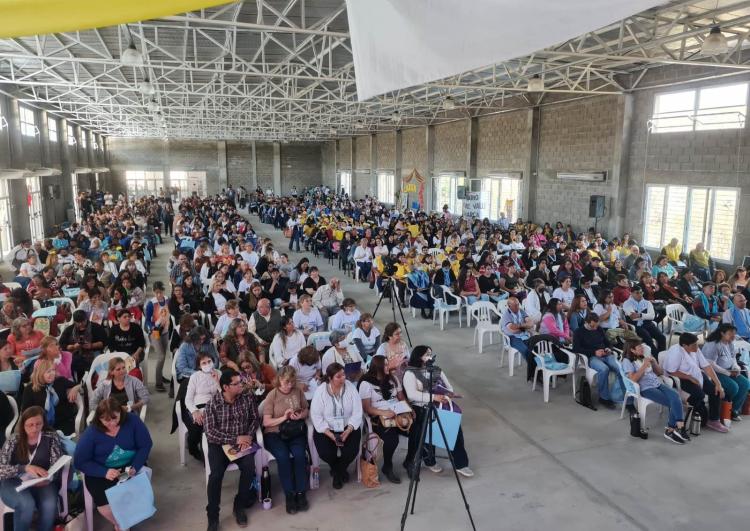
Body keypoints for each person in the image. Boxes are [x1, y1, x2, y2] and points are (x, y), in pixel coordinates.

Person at [74, 398, 153, 531]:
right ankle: (120, 523)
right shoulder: (91, 432)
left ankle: (124, 521)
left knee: (137, 493)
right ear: (99, 418)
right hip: (100, 472)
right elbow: (80, 461)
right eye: (106, 420)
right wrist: (103, 472)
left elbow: (145, 445)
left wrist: (135, 466)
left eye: (114, 418)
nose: (111, 423)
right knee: (106, 506)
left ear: (121, 413)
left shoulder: (133, 421)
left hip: (129, 466)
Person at [402, 346, 473, 478]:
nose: (430, 356)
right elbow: (412, 395)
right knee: (425, 435)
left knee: (455, 431)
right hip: (421, 408)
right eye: (426, 354)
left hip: (441, 406)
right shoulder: (410, 373)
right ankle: (429, 461)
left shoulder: (436, 370)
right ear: (418, 356)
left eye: (431, 353)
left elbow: (448, 387)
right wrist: (433, 397)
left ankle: (461, 464)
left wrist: (448, 394)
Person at [203, 369, 260, 530]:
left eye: (240, 382)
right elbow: (210, 432)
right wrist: (235, 439)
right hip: (220, 444)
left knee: (249, 467)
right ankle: (213, 515)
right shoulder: (213, 403)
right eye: (236, 384)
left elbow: (255, 418)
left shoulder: (247, 398)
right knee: (215, 475)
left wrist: (247, 437)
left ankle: (239, 505)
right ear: (226, 387)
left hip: (242, 442)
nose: (241, 385)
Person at [0, 406, 64, 531]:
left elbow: (57, 464)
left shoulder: (51, 437)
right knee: (26, 504)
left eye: (38, 424)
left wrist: (50, 479)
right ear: (23, 425)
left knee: (49, 504)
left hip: (41, 480)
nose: (34, 429)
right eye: (30, 425)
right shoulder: (14, 440)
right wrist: (24, 468)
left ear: (43, 423)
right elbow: (1, 469)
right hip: (13, 481)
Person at [261, 365, 310, 514]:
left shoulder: (298, 391)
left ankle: (301, 492)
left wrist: (300, 415)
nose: (290, 385)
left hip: (295, 431)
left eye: (292, 382)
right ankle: (289, 494)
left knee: (300, 455)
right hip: (275, 433)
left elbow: (306, 409)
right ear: (279, 379)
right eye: (286, 382)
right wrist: (284, 417)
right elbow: (266, 422)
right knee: (283, 458)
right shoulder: (272, 395)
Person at [620, 339, 689, 444]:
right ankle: (677, 428)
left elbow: (660, 372)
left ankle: (672, 429)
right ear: (632, 350)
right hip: (646, 388)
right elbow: (633, 379)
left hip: (657, 384)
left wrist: (654, 362)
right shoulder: (627, 361)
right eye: (639, 347)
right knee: (674, 402)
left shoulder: (643, 357)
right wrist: (644, 366)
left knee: (675, 396)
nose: (643, 348)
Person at [358, 354, 412, 484]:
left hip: (398, 413)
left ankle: (409, 461)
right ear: (378, 368)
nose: (389, 367)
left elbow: (400, 396)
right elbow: (366, 408)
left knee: (417, 430)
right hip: (379, 417)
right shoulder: (366, 383)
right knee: (392, 439)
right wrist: (383, 412)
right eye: (386, 365)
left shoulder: (392, 379)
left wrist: (409, 408)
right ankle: (387, 466)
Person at [310, 363, 362, 490]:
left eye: (344, 375)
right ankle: (337, 469)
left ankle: (338, 471)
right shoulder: (321, 391)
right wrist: (330, 434)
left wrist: (349, 429)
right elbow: (316, 416)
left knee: (351, 451)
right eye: (338, 376)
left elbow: (357, 411)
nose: (343, 378)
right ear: (330, 378)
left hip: (347, 426)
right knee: (325, 453)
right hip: (327, 429)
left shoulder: (350, 388)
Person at [662, 332, 728, 433]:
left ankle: (714, 420)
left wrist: (718, 384)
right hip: (680, 377)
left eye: (697, 344)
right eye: (694, 345)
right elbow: (671, 371)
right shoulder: (676, 352)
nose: (697, 347)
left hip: (696, 374)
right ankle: (690, 408)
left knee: (716, 391)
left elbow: (706, 366)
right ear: (684, 345)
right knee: (699, 395)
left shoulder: (695, 349)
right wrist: (689, 377)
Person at [572, 313, 623, 409]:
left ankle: (617, 395)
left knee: (619, 368)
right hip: (592, 356)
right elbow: (576, 349)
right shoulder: (578, 332)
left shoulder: (598, 329)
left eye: (597, 325)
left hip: (605, 354)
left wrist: (608, 348)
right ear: (586, 322)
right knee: (604, 369)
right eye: (592, 326)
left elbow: (608, 343)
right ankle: (604, 398)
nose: (595, 328)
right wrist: (594, 352)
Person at [701, 324, 749, 422]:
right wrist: (727, 373)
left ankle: (733, 410)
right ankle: (723, 408)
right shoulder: (713, 344)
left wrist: (736, 367)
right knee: (733, 387)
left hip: (729, 370)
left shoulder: (730, 343)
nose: (733, 337)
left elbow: (733, 358)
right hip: (715, 373)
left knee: (745, 384)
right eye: (730, 334)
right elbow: (710, 365)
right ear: (722, 333)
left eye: (734, 334)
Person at [21, 359, 79, 435]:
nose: (52, 373)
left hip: (64, 423)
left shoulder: (60, 381)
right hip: (40, 426)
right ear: (40, 373)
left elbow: (81, 384)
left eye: (53, 370)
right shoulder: (30, 389)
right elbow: (26, 412)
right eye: (48, 371)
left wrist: (75, 388)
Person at [184, 352, 221, 461]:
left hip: (215, 406)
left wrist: (217, 381)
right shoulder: (195, 377)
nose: (207, 364)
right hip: (198, 406)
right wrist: (195, 411)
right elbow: (188, 399)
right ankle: (193, 448)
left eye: (209, 361)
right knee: (198, 424)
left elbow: (224, 394)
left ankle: (216, 452)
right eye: (204, 363)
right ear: (199, 366)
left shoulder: (219, 373)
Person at [60, 310, 108, 380]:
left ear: (86, 319)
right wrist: (73, 346)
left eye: (82, 321)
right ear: (74, 321)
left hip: (93, 351)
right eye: (78, 322)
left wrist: (91, 345)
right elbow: (62, 344)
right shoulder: (69, 330)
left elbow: (104, 342)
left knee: (99, 362)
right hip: (75, 352)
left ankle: (96, 381)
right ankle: (75, 380)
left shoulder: (96, 327)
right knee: (69, 363)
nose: (80, 324)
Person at [144, 281, 170, 392]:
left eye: (160, 292)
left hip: (165, 331)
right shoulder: (151, 303)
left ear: (163, 291)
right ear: (154, 292)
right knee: (161, 356)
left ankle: (160, 375)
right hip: (155, 332)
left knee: (163, 355)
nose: (159, 295)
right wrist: (152, 327)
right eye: (156, 293)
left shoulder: (168, 300)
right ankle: (158, 383)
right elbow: (147, 321)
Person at [622, 286, 666, 354]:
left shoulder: (647, 303)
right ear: (631, 294)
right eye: (637, 293)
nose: (640, 294)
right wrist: (645, 316)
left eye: (641, 292)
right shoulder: (627, 303)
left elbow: (652, 316)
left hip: (648, 324)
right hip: (636, 325)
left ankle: (661, 356)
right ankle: (656, 358)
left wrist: (640, 315)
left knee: (662, 337)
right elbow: (633, 317)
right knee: (649, 340)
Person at [500, 296, 534, 364]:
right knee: (525, 350)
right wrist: (524, 326)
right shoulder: (506, 315)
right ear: (509, 306)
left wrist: (520, 327)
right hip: (512, 337)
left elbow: (530, 323)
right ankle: (533, 366)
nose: (517, 307)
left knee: (536, 346)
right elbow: (512, 328)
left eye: (518, 304)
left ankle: (535, 364)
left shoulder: (521, 311)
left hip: (524, 334)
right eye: (515, 305)